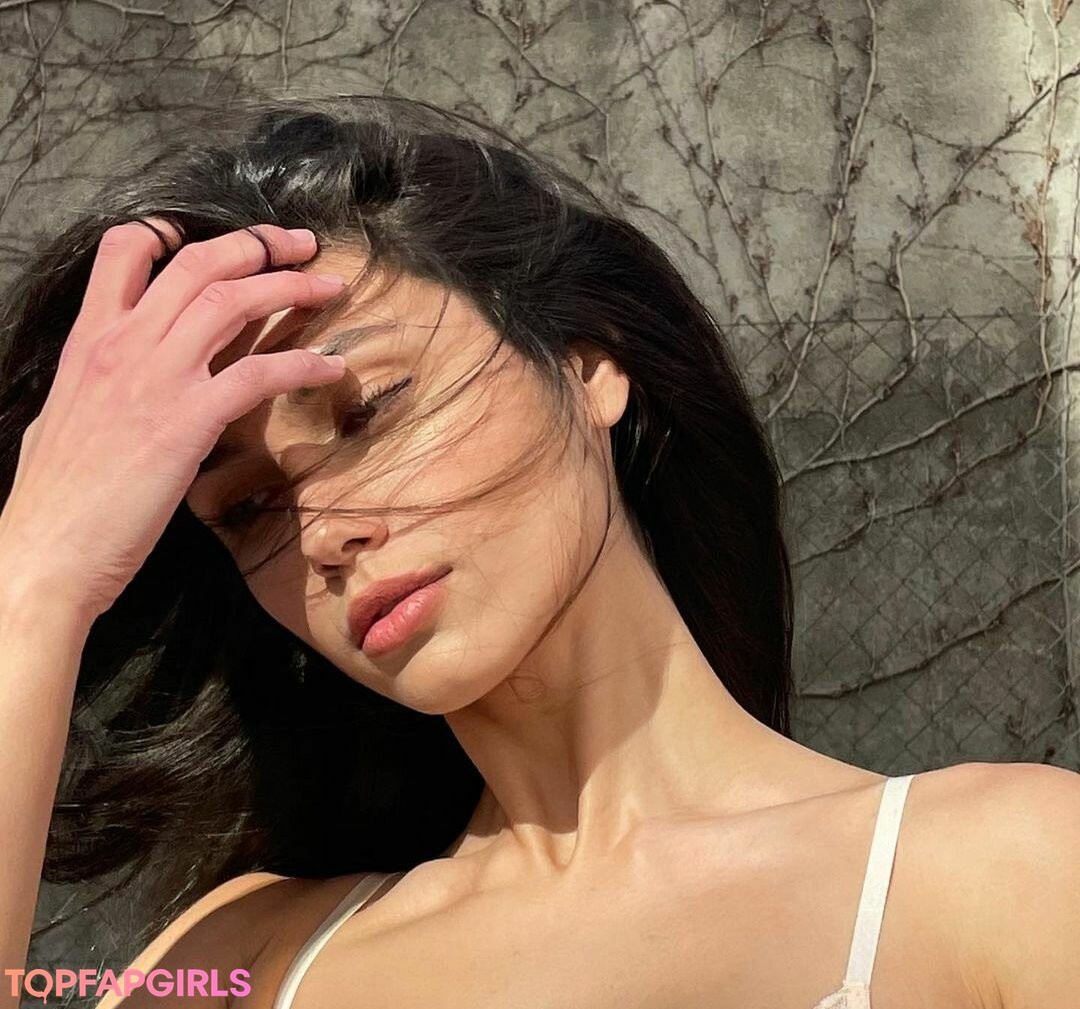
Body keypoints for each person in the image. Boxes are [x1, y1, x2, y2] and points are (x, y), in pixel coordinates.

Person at [0, 95, 1076, 1009]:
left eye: (370, 410)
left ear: (587, 365)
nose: (324, 533)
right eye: (247, 509)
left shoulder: (1000, 872)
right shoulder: (238, 964)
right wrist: (36, 579)